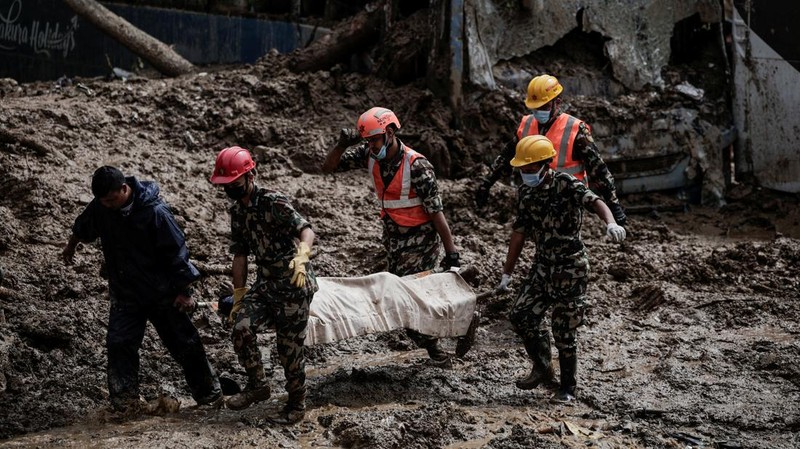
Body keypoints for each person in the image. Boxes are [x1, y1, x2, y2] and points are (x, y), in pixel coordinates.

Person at [62, 166, 221, 412]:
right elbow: (83, 226)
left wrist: (184, 292)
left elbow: (177, 254)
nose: (107, 205)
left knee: (185, 343)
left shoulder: (156, 213)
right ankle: (124, 404)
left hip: (163, 293)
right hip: (126, 293)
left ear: (124, 189)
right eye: (102, 201)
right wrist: (70, 247)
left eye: (111, 200)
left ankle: (209, 396)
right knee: (119, 344)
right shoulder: (101, 207)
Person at [321, 106, 463, 366]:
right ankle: (451, 331)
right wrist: (341, 145)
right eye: (368, 142)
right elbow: (328, 167)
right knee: (414, 298)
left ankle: (440, 348)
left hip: (421, 241)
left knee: (407, 300)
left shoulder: (417, 166)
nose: (372, 146)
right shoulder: (369, 155)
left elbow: (437, 213)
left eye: (374, 140)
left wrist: (452, 253)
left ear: (389, 132)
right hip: (394, 239)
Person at [497, 135, 626, 403]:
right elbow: (519, 233)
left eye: (530, 169)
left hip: (570, 268)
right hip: (542, 266)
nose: (525, 174)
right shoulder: (526, 192)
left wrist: (611, 222)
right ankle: (542, 366)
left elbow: (595, 202)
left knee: (564, 330)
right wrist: (507, 274)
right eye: (522, 169)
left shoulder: (565, 184)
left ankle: (568, 387)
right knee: (521, 315)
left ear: (545, 164)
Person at [209, 146, 318, 425]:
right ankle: (258, 385)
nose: (230, 190)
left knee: (289, 350)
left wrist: (302, 256)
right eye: (226, 186)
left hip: (294, 284)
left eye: (234, 184)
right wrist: (239, 294)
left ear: (250, 175)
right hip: (266, 284)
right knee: (241, 327)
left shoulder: (273, 202)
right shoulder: (237, 212)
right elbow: (240, 255)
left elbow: (306, 230)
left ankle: (296, 405)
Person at [475, 74, 627, 227]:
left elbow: (598, 170)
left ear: (557, 102)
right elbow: (506, 157)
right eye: (536, 108)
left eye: (544, 107)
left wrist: (613, 205)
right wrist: (486, 183)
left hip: (568, 200)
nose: (539, 111)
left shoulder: (575, 129)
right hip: (535, 198)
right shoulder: (526, 125)